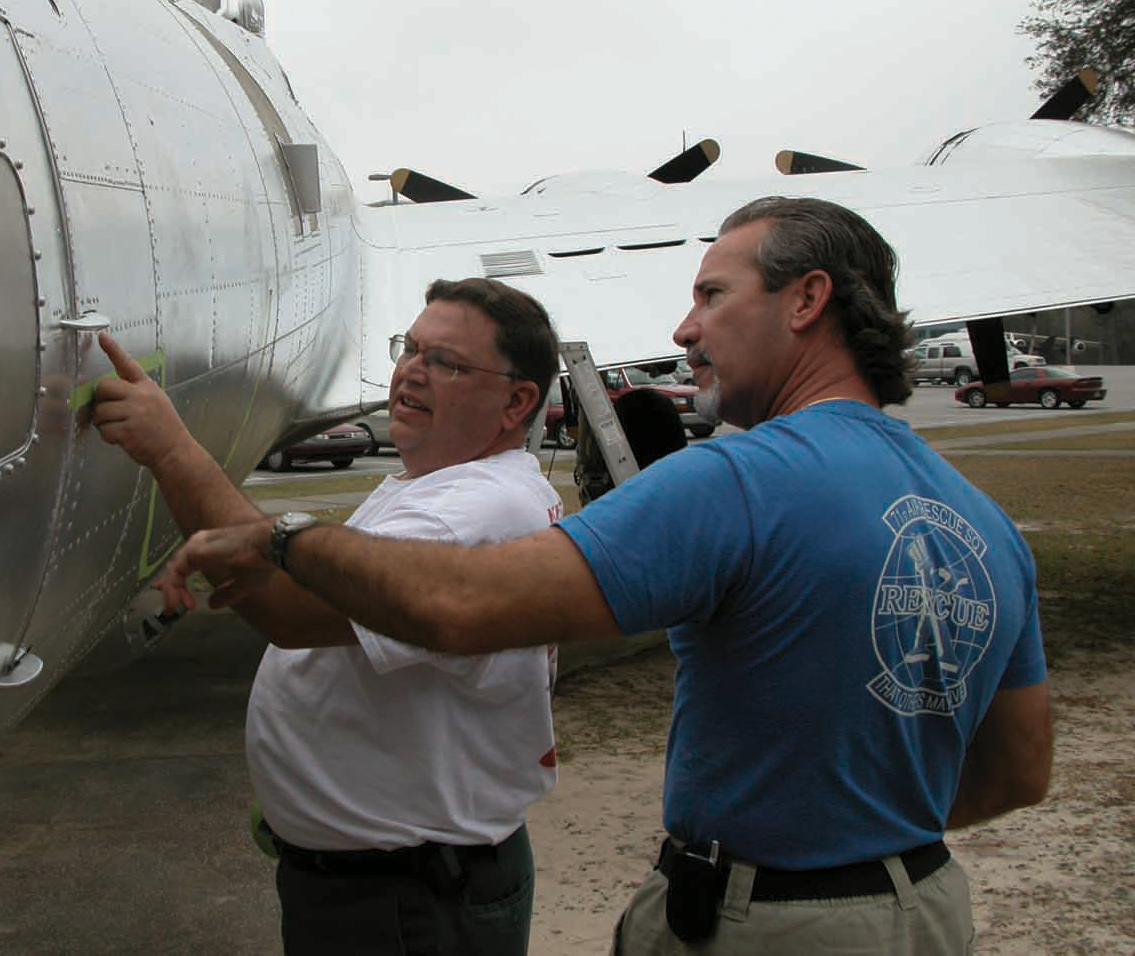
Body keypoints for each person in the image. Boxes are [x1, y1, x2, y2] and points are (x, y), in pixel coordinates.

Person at [164, 196, 1054, 953]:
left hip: (770, 924)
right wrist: (866, 854)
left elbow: (457, 604)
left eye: (712, 293)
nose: (684, 328)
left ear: (806, 300)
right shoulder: (983, 521)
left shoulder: (735, 480)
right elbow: (1019, 773)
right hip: (927, 907)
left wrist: (281, 537)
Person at [90, 277, 565, 956]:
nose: (411, 371)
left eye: (446, 362)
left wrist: (171, 447)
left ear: (518, 400)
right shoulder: (450, 484)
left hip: (406, 900)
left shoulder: (467, 512)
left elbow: (289, 607)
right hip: (387, 877)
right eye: (412, 348)